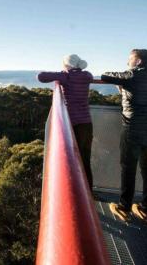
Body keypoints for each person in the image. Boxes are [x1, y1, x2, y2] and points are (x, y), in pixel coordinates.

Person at [101, 49, 147, 223]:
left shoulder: (131, 75)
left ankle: (124, 208)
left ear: (138, 61)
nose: (128, 61)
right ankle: (146, 209)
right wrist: (125, 90)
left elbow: (104, 75)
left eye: (130, 59)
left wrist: (124, 81)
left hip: (133, 129)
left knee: (128, 168)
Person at [37, 54, 94, 191]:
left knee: (70, 158)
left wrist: (62, 73)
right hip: (86, 123)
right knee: (85, 159)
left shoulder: (66, 76)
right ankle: (88, 191)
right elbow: (88, 76)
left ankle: (72, 190)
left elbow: (41, 76)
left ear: (67, 65)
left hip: (71, 124)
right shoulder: (87, 75)